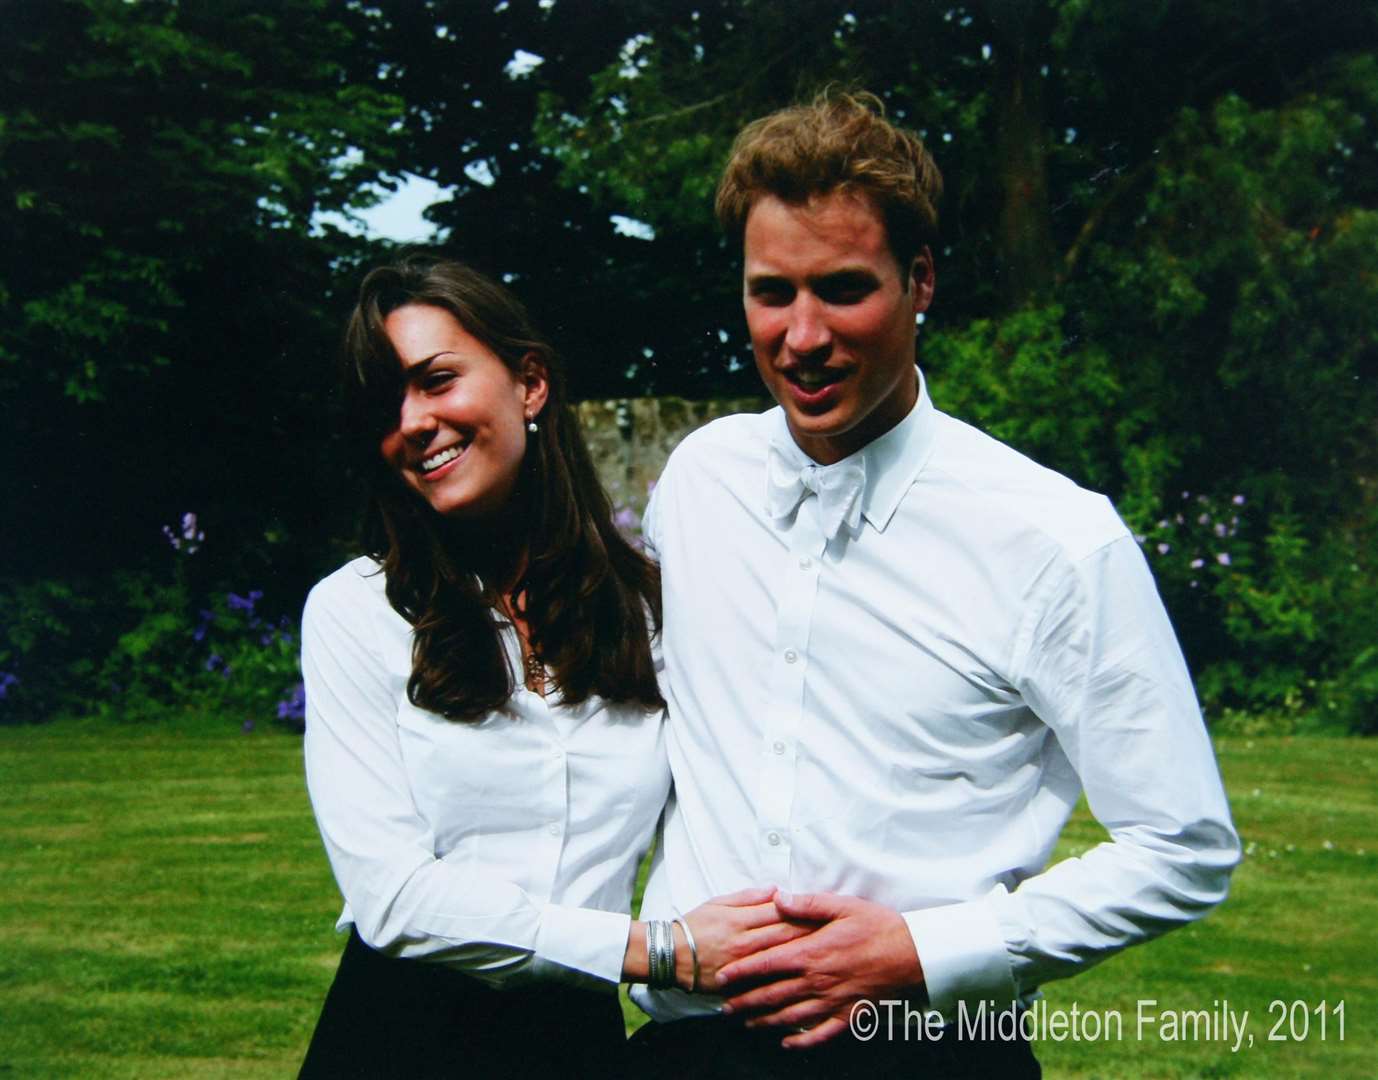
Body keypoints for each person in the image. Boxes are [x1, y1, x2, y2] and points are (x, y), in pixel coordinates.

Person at [627, 91, 1241, 1077]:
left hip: (922, 1048)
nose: (802, 334)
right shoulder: (702, 481)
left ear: (920, 282)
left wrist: (921, 953)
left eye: (842, 287)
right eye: (771, 292)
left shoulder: (1052, 538)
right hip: (684, 1046)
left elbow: (1183, 845)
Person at [297, 257, 799, 1078]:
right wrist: (654, 951)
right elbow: (391, 899)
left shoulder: (651, 613)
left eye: (436, 380)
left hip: (577, 1048)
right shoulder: (357, 612)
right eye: (386, 403)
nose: (414, 421)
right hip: (397, 1038)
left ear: (530, 385)